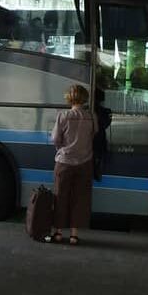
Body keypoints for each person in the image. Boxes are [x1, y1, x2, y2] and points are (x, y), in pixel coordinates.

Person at [50, 84, 98, 245]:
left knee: (60, 196)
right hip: (85, 162)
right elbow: (94, 135)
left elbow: (56, 139)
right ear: (84, 99)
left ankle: (57, 232)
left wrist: (63, 149)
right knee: (80, 198)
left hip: (64, 162)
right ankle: (74, 235)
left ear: (69, 98)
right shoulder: (91, 117)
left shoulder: (63, 116)